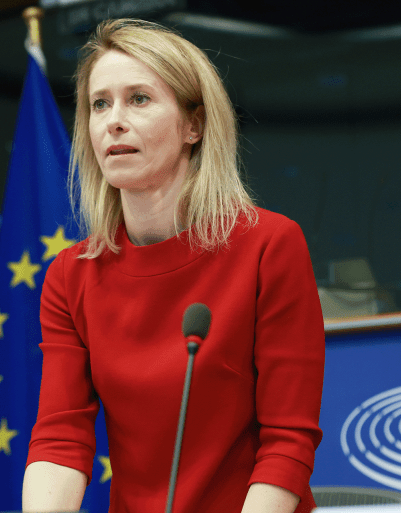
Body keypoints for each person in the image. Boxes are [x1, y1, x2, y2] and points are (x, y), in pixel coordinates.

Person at [22, 18, 325, 513]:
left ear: (194, 125)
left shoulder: (270, 245)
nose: (114, 121)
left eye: (139, 99)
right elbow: (60, 440)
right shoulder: (70, 275)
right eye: (100, 104)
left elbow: (288, 441)